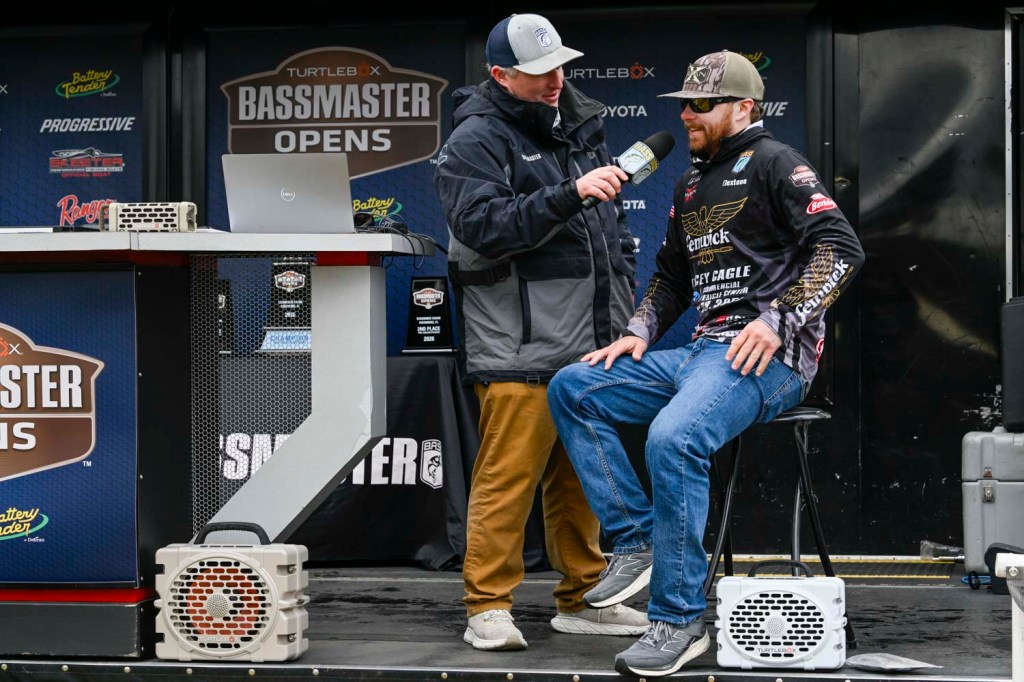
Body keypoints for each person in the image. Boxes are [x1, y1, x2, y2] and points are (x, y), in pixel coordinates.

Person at [547, 49, 866, 676]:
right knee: (573, 387)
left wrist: (777, 320)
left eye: (701, 104)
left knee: (674, 436)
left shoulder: (776, 162)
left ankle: (678, 620)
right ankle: (637, 541)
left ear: (744, 107)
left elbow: (840, 247)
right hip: (699, 354)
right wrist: (638, 331)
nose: (687, 115)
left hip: (767, 360)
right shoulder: (691, 181)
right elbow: (671, 277)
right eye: (684, 104)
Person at [432, 13, 651, 651]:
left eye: (559, 66)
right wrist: (569, 193)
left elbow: (610, 228)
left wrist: (622, 287)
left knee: (582, 481)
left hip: (590, 344)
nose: (555, 80)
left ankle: (583, 598)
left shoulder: (579, 125)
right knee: (508, 480)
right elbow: (481, 227)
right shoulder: (475, 137)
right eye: (538, 71)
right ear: (500, 75)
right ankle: (487, 606)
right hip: (517, 344)